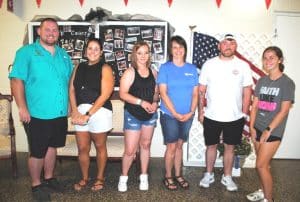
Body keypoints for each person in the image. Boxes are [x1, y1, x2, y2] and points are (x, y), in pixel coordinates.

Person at [9, 18, 73, 201]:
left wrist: (68, 104)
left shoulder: (63, 54)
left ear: (59, 33)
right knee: (37, 150)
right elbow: (16, 80)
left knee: (52, 147)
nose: (51, 33)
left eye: (55, 30)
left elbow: (68, 82)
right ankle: (36, 184)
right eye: (47, 29)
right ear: (39, 31)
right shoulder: (26, 52)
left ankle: (49, 178)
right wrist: (22, 107)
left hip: (59, 112)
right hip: (36, 112)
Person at [198, 34, 253, 191]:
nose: (228, 46)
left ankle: (227, 176)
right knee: (211, 146)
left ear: (235, 47)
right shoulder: (209, 64)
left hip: (234, 117)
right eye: (224, 43)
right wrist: (200, 111)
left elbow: (247, 90)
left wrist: (244, 113)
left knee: (230, 147)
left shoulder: (243, 66)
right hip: (212, 115)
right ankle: (208, 174)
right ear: (219, 46)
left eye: (232, 43)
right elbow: (201, 90)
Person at [246, 46, 295, 202]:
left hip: (273, 131)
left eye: (272, 57)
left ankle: (269, 199)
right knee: (264, 165)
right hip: (258, 128)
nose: (268, 61)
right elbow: (254, 106)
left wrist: (268, 129)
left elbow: (284, 110)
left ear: (279, 60)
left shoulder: (287, 83)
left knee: (260, 165)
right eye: (265, 58)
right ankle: (262, 191)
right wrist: (252, 127)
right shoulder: (262, 80)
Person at [69, 38, 114, 191]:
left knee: (100, 145)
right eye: (90, 48)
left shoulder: (105, 68)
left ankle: (100, 177)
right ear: (85, 50)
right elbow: (72, 89)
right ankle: (84, 177)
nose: (92, 51)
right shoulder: (79, 66)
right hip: (80, 110)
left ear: (101, 52)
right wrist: (75, 111)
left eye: (96, 49)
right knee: (82, 147)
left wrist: (88, 114)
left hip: (100, 110)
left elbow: (105, 94)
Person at [157, 35, 198, 190]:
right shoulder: (165, 68)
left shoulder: (192, 69)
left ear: (185, 50)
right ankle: (168, 176)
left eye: (181, 47)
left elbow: (195, 94)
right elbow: (163, 92)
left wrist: (191, 112)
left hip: (187, 115)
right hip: (169, 115)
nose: (178, 50)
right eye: (175, 47)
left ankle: (178, 174)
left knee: (180, 146)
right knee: (172, 146)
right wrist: (174, 113)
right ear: (171, 50)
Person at [118, 41, 159, 192]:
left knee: (146, 146)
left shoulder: (154, 72)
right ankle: (123, 178)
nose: (143, 56)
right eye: (139, 52)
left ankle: (144, 176)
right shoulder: (130, 72)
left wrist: (155, 103)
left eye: (146, 52)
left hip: (150, 115)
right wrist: (141, 102)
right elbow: (122, 94)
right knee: (130, 150)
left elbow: (156, 93)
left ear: (149, 54)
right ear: (135, 54)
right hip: (133, 114)